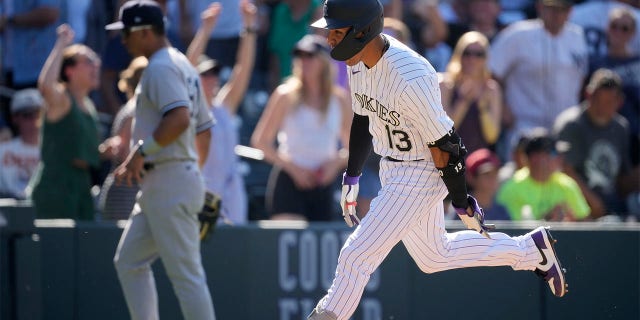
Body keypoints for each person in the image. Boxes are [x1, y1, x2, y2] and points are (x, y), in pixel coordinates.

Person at [307, 1, 568, 319]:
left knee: (355, 256)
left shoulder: (410, 76)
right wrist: (352, 174)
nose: (329, 38)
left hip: (421, 169)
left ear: (362, 32)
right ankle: (530, 251)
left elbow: (448, 144)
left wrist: (461, 202)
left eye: (336, 31)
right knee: (434, 256)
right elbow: (363, 115)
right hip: (393, 165)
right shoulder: (357, 59)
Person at [106, 1, 216, 319]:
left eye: (126, 32)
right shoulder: (180, 62)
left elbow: (180, 118)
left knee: (187, 277)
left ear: (143, 31)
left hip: (169, 180)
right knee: (129, 261)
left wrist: (140, 154)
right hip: (169, 180)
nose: (122, 39)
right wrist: (194, 175)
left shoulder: (160, 66)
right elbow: (205, 129)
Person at [251, 34, 352, 222]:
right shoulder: (285, 95)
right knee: (288, 244)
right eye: (300, 56)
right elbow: (260, 141)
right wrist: (293, 169)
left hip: (324, 183)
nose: (304, 61)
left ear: (323, 61)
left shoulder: (339, 99)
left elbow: (354, 149)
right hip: (288, 182)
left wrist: (335, 163)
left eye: (310, 56)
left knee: (321, 248)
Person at [186, 0, 257, 225]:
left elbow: (242, 68)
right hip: (198, 191)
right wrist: (205, 29)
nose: (210, 79)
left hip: (230, 190)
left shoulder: (223, 106)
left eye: (213, 74)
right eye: (204, 74)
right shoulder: (188, 109)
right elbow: (186, 69)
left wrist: (249, 27)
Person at [489, 0, 589, 161]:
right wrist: (502, 108)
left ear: (570, 11)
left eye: (562, 9)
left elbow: (582, 79)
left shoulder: (577, 37)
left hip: (564, 128)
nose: (556, 14)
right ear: (540, 7)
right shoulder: (518, 34)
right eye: (551, 8)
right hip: (524, 125)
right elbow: (490, 72)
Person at [30, 24, 106, 221]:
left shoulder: (89, 106)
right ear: (70, 70)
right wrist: (61, 44)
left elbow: (80, 150)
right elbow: (46, 86)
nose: (96, 65)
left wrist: (104, 151)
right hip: (56, 188)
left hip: (81, 186)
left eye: (96, 61)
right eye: (88, 61)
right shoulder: (62, 100)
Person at [554, 68, 639, 219]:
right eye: (596, 100)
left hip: (615, 208)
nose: (601, 108)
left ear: (619, 102)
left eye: (608, 102)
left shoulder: (621, 128)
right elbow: (565, 172)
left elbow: (623, 180)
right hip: (579, 209)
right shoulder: (572, 125)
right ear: (588, 94)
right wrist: (595, 205)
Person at [496, 128, 591, 221]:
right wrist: (547, 220)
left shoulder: (567, 184)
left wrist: (572, 225)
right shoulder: (511, 190)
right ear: (536, 158)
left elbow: (586, 223)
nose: (561, 158)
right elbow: (511, 232)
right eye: (554, 153)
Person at [98, 56, 148, 220]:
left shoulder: (133, 108)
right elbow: (127, 152)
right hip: (126, 190)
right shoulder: (136, 109)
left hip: (127, 186)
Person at [440, 31, 502, 153]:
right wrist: (463, 101)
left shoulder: (491, 89)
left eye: (478, 54)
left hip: (478, 162)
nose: (472, 59)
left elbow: (492, 137)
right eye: (467, 53)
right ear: (459, 55)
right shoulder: (445, 85)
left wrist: (483, 107)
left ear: (486, 58)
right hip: (450, 159)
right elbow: (444, 131)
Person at [0, 89, 44, 199]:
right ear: (15, 118)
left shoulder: (54, 151)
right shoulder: (3, 149)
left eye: (38, 114)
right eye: (28, 115)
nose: (34, 120)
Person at [465, 148, 511, 220]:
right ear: (471, 178)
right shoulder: (460, 209)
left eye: (495, 173)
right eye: (487, 174)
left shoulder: (502, 211)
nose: (492, 179)